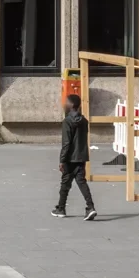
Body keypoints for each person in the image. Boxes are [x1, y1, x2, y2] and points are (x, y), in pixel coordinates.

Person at [52, 93, 97, 221]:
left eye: (66, 102)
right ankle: (90, 207)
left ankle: (61, 208)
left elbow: (66, 143)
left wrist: (62, 160)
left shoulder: (67, 121)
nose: (64, 104)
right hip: (81, 156)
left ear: (71, 105)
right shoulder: (84, 121)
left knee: (65, 183)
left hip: (70, 158)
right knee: (81, 182)